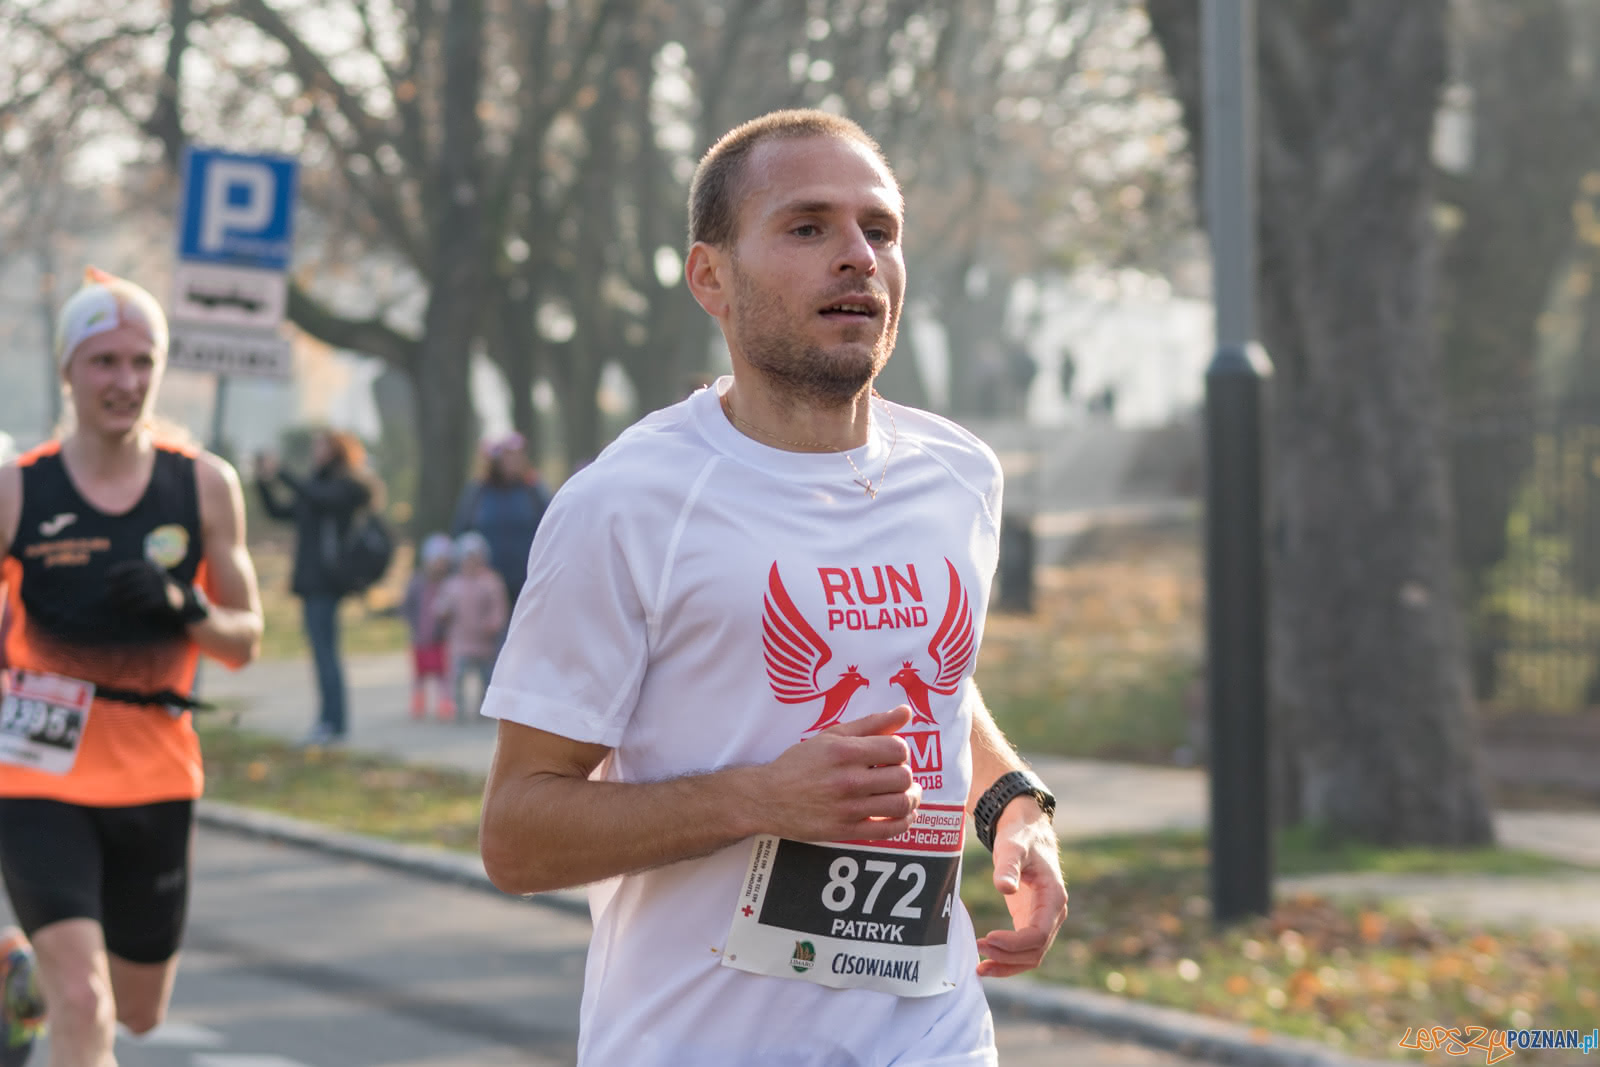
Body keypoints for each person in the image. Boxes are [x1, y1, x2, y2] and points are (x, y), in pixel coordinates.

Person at [478, 110, 1067, 1066]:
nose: (858, 256)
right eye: (807, 226)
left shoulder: (959, 474)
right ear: (710, 277)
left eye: (880, 229)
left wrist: (1013, 805)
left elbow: (931, 677)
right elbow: (515, 835)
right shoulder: (628, 504)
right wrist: (757, 798)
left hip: (934, 1035)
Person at [0, 266, 264, 1066]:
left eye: (142, 361)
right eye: (104, 361)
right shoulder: (17, 490)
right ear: (68, 370)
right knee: (86, 1001)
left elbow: (244, 640)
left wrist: (186, 606)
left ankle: (20, 976)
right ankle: (51, 985)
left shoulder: (203, 485)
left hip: (155, 771)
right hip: (38, 771)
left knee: (138, 1011)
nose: (126, 381)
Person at [255, 430, 376, 746]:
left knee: (326, 654)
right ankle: (329, 721)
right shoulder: (314, 486)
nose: (314, 451)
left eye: (321, 446)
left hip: (327, 582)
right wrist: (263, 481)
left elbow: (321, 498)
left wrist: (281, 472)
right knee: (321, 653)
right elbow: (280, 511)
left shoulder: (347, 486)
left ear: (336, 450)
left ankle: (332, 724)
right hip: (311, 583)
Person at [450, 433, 551, 609]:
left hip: (528, 583)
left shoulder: (534, 492)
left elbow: (550, 529)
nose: (512, 461)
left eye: (517, 456)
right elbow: (460, 534)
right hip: (484, 589)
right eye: (506, 456)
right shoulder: (477, 493)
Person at [433, 532, 508, 724]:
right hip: (460, 642)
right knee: (458, 677)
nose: (471, 563)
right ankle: (458, 708)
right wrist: (443, 611)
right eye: (467, 559)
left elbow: (499, 608)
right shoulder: (453, 584)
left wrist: (494, 622)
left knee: (486, 678)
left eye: (475, 558)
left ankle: (484, 709)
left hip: (484, 642)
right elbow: (441, 606)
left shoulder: (491, 583)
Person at [402, 533, 454, 722]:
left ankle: (445, 702)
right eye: (436, 561)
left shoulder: (449, 584)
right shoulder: (417, 582)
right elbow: (407, 605)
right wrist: (412, 624)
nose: (439, 566)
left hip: (440, 638)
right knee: (419, 675)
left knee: (443, 673)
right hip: (420, 637)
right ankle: (418, 702)